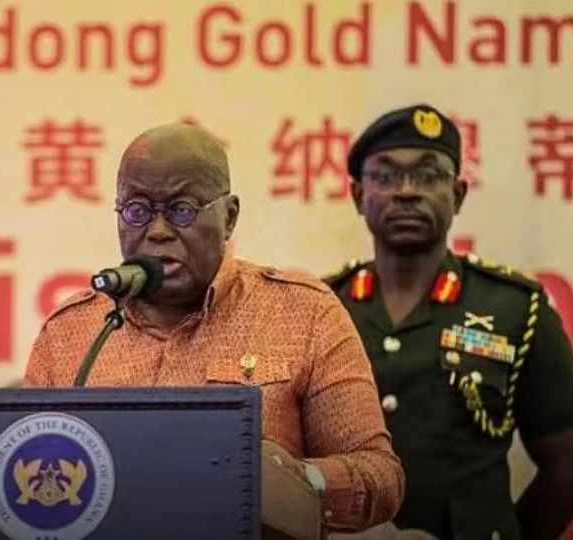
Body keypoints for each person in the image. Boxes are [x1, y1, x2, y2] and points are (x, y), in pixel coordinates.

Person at [24, 121, 404, 533]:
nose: (157, 231)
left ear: (229, 217)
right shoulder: (71, 332)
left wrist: (290, 482)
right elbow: (21, 469)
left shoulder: (304, 312)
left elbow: (379, 475)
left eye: (182, 209)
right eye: (137, 210)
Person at [324, 104, 573, 539]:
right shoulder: (323, 309)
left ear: (458, 194)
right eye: (387, 175)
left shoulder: (515, 309)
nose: (407, 191)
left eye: (428, 175)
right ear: (358, 195)